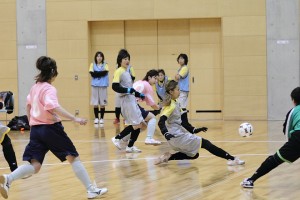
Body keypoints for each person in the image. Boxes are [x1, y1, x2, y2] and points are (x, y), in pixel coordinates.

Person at [0, 56, 107, 199]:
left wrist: (32, 123)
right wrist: (74, 118)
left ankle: (8, 178)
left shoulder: (34, 87)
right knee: (73, 157)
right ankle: (90, 189)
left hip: (36, 130)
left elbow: (28, 106)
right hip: (51, 129)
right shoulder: (49, 89)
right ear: (52, 72)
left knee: (35, 166)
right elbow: (53, 106)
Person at [154, 80, 245, 166]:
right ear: (171, 91)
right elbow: (161, 122)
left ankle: (168, 157)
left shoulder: (176, 103)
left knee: (194, 155)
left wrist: (195, 129)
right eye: (178, 89)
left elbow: (184, 123)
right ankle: (232, 159)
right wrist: (166, 133)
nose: (179, 91)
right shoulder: (171, 106)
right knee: (206, 144)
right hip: (176, 136)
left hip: (175, 137)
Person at [241, 86, 300, 188]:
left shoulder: (293, 111)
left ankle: (251, 180)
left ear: (294, 100)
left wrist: (291, 145)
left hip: (297, 138)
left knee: (274, 160)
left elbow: (286, 131)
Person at [111, 49, 146, 153]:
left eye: (128, 59)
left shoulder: (127, 71)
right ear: (120, 60)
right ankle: (117, 138)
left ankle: (130, 146)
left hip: (132, 100)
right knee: (136, 125)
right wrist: (128, 90)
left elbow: (130, 88)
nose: (127, 60)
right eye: (125, 59)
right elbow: (114, 86)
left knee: (140, 124)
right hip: (126, 101)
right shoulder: (119, 71)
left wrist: (138, 94)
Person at [121, 69, 161, 145]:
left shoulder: (139, 82)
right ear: (149, 77)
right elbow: (153, 105)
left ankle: (123, 140)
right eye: (155, 78)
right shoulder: (147, 86)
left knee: (142, 126)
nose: (156, 81)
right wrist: (160, 107)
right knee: (152, 117)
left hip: (125, 105)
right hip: (132, 105)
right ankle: (149, 138)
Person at [89, 51, 109, 124]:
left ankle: (102, 118)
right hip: (95, 85)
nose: (99, 58)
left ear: (102, 57)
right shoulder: (92, 64)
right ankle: (96, 118)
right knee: (95, 103)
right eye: (98, 56)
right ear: (95, 57)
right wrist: (100, 73)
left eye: (100, 56)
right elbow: (92, 74)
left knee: (102, 103)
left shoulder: (105, 64)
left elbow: (105, 72)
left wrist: (96, 73)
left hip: (103, 85)